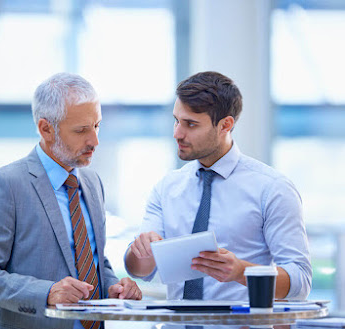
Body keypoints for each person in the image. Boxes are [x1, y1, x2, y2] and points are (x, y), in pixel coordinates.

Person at [0, 72, 141, 329]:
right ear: (46, 129)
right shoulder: (5, 185)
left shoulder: (92, 183)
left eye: (97, 126)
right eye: (81, 130)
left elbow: (92, 257)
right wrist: (46, 294)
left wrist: (114, 285)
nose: (95, 141)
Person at [124, 71, 311, 301]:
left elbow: (300, 281)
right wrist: (139, 250)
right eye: (176, 120)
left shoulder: (272, 189)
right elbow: (141, 270)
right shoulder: (167, 188)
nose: (177, 134)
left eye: (191, 124)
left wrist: (242, 272)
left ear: (225, 125)